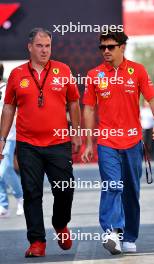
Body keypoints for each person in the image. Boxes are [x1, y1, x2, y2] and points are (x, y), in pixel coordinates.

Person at [81, 30, 154, 254]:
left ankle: (129, 236)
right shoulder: (94, 74)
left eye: (110, 46)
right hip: (107, 141)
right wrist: (88, 142)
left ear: (122, 47)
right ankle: (111, 232)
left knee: (130, 190)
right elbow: (88, 108)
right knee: (112, 185)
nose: (106, 51)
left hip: (133, 141)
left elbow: (153, 98)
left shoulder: (137, 70)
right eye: (102, 47)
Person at [0, 28, 81, 257]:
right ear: (30, 47)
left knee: (64, 190)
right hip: (28, 144)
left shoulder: (63, 70)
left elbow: (74, 102)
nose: (44, 50)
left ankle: (60, 223)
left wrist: (76, 132)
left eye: (48, 46)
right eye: (39, 46)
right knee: (32, 193)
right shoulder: (17, 74)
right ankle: (37, 242)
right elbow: (8, 108)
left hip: (58, 141)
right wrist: (2, 139)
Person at [0, 63, 23, 217]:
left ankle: (21, 198)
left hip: (7, 135)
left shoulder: (7, 88)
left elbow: (15, 109)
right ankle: (3, 205)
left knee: (6, 168)